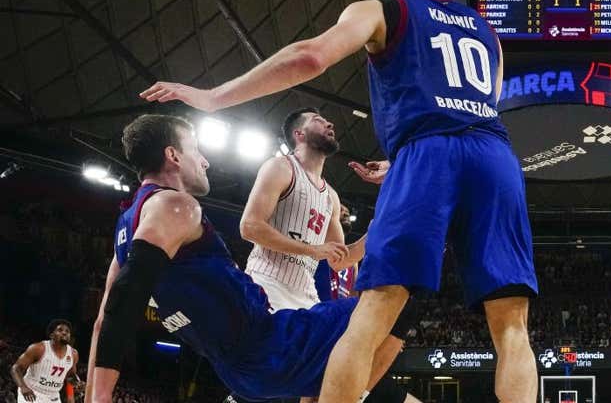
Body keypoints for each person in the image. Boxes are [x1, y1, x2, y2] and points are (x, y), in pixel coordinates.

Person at [138, 0, 538, 403]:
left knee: (372, 314)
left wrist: (215, 96)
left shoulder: (383, 9)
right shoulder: (486, 30)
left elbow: (311, 58)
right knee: (512, 325)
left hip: (425, 152)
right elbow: (479, 102)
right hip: (494, 153)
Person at [84, 114, 404, 403]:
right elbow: (248, 227)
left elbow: (105, 321)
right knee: (401, 295)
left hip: (247, 352)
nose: (206, 161)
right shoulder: (179, 206)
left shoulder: (129, 228)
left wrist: (376, 229)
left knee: (343, 371)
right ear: (173, 155)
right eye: (197, 150)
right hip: (266, 327)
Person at [242, 108, 359, 312]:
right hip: (266, 283)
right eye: (318, 120)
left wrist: (380, 227)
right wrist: (312, 250)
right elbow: (250, 227)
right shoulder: (280, 167)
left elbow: (341, 261)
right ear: (299, 134)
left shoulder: (331, 196)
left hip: (306, 294)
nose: (329, 124)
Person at [11, 320, 82, 403]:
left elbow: (70, 375)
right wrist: (23, 387)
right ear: (51, 335)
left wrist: (77, 383)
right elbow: (15, 368)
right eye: (60, 330)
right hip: (32, 392)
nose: (64, 333)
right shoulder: (38, 348)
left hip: (53, 396)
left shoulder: (74, 354)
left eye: (67, 331)